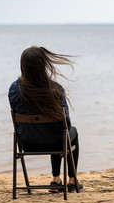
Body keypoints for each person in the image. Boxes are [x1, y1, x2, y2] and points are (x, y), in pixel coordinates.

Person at [8, 46, 84, 193]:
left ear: (23, 66)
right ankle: (72, 182)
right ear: (43, 65)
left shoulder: (14, 89)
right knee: (70, 132)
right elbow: (66, 126)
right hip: (56, 144)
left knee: (52, 133)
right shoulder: (55, 89)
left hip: (27, 145)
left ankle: (55, 182)